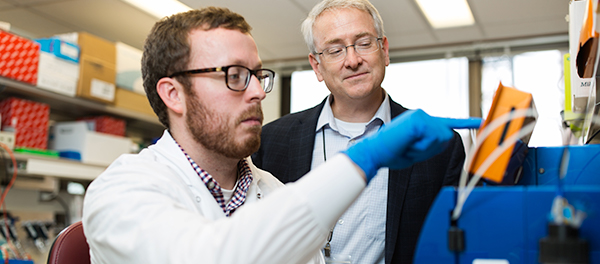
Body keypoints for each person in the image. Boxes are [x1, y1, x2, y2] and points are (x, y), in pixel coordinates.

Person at [81, 5, 481, 264]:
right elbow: (209, 256)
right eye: (235, 76)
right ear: (173, 94)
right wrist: (364, 159)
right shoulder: (123, 190)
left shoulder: (270, 189)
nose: (257, 91)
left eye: (257, 75)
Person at [252, 0, 469, 263]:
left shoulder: (438, 146)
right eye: (335, 50)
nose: (353, 60)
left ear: (384, 50)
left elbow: (452, 243)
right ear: (317, 66)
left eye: (364, 43)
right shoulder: (271, 141)